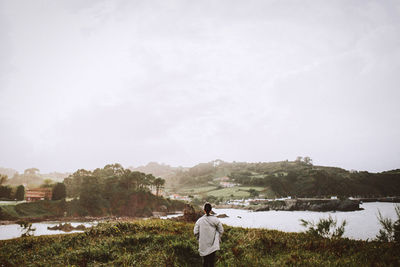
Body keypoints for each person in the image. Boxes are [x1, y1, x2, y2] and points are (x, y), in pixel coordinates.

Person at [194, 202, 224, 267]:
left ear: (204, 210)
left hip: (203, 244)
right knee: (211, 262)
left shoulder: (199, 220)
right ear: (211, 210)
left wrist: (199, 239)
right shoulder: (216, 220)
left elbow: (195, 232)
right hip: (213, 245)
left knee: (205, 261)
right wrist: (217, 237)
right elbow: (221, 230)